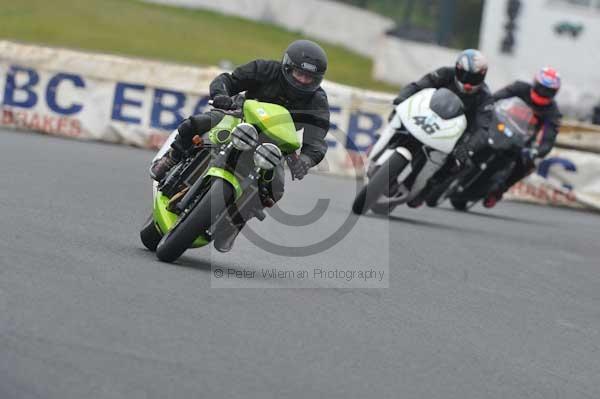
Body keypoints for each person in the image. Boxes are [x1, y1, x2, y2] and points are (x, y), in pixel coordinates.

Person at [150, 39, 330, 252]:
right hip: (239, 119)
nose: (303, 81)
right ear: (287, 67)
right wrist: (222, 96)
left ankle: (235, 223)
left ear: (317, 80)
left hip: (274, 146)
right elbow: (227, 80)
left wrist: (306, 160)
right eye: (299, 74)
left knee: (276, 188)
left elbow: (317, 140)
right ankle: (173, 157)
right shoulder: (265, 69)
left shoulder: (317, 101)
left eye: (309, 78)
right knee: (197, 123)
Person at [391, 49, 494, 206]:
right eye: (466, 76)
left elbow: (483, 129)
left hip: (457, 133)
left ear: (483, 76)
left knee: (458, 162)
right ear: (458, 69)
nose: (468, 82)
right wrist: (403, 97)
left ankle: (427, 188)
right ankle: (384, 146)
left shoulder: (485, 97)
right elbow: (419, 86)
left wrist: (468, 147)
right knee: (397, 117)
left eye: (475, 78)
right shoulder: (444, 73)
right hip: (428, 117)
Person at [483, 67, 562, 208]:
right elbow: (496, 97)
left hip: (522, 140)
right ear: (535, 83)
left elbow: (549, 138)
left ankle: (498, 190)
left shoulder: (553, 112)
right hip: (500, 123)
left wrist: (538, 151)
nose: (543, 93)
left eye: (548, 91)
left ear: (554, 93)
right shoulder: (520, 88)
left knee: (528, 164)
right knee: (478, 128)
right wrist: (486, 106)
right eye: (541, 88)